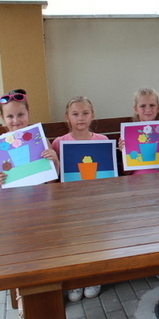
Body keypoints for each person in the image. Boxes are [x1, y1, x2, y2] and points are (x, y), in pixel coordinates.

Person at [0, 88, 59, 319]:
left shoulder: (40, 140)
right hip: (14, 209)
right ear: (2, 118)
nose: (16, 120)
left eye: (20, 115)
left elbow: (53, 177)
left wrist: (54, 160)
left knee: (45, 247)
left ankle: (51, 286)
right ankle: (23, 294)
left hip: (41, 205)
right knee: (20, 251)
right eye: (10, 116)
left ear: (29, 113)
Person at [52, 96, 106, 301]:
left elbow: (109, 173)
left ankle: (94, 276)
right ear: (67, 117)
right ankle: (76, 279)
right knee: (74, 241)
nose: (80, 118)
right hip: (70, 204)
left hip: (96, 203)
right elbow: (55, 177)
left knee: (95, 239)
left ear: (92, 115)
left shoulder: (102, 141)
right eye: (75, 114)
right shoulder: (59, 143)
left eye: (85, 113)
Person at [119, 87, 159, 176]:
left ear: (158, 108)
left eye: (152, 105)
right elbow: (126, 172)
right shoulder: (129, 134)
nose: (148, 110)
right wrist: (123, 152)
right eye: (142, 106)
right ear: (136, 109)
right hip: (139, 178)